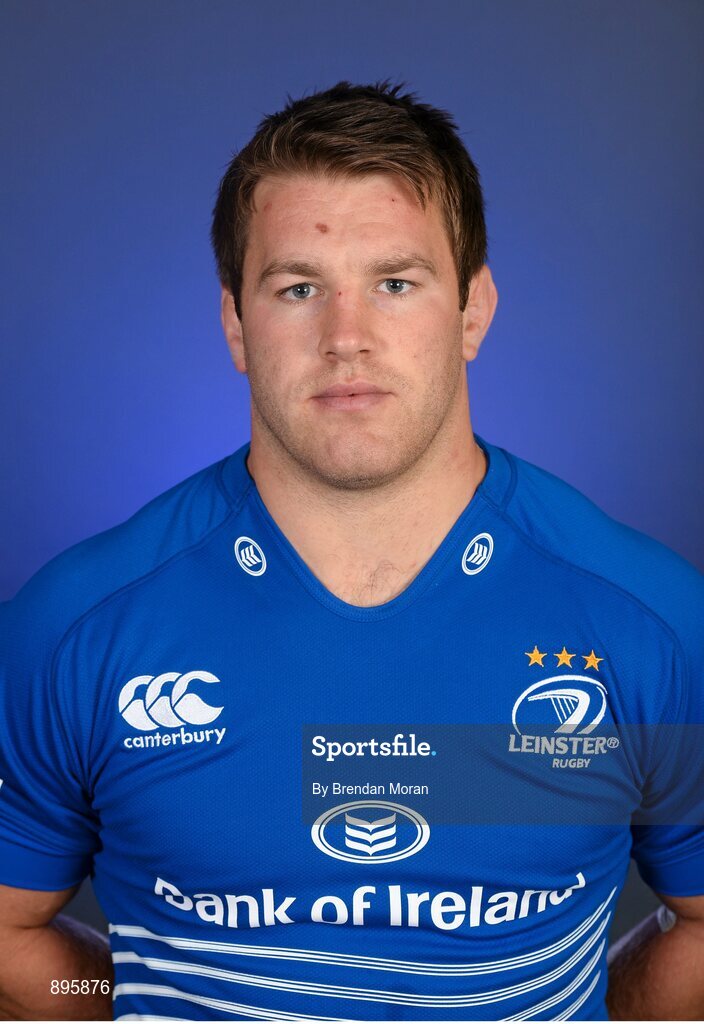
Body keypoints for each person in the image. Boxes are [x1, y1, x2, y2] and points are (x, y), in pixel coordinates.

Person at [0, 79, 702, 1022]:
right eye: (298, 289)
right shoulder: (74, 625)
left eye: (396, 283)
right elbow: (11, 931)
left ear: (474, 310)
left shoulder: (650, 623)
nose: (347, 339)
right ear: (235, 325)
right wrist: (131, 999)